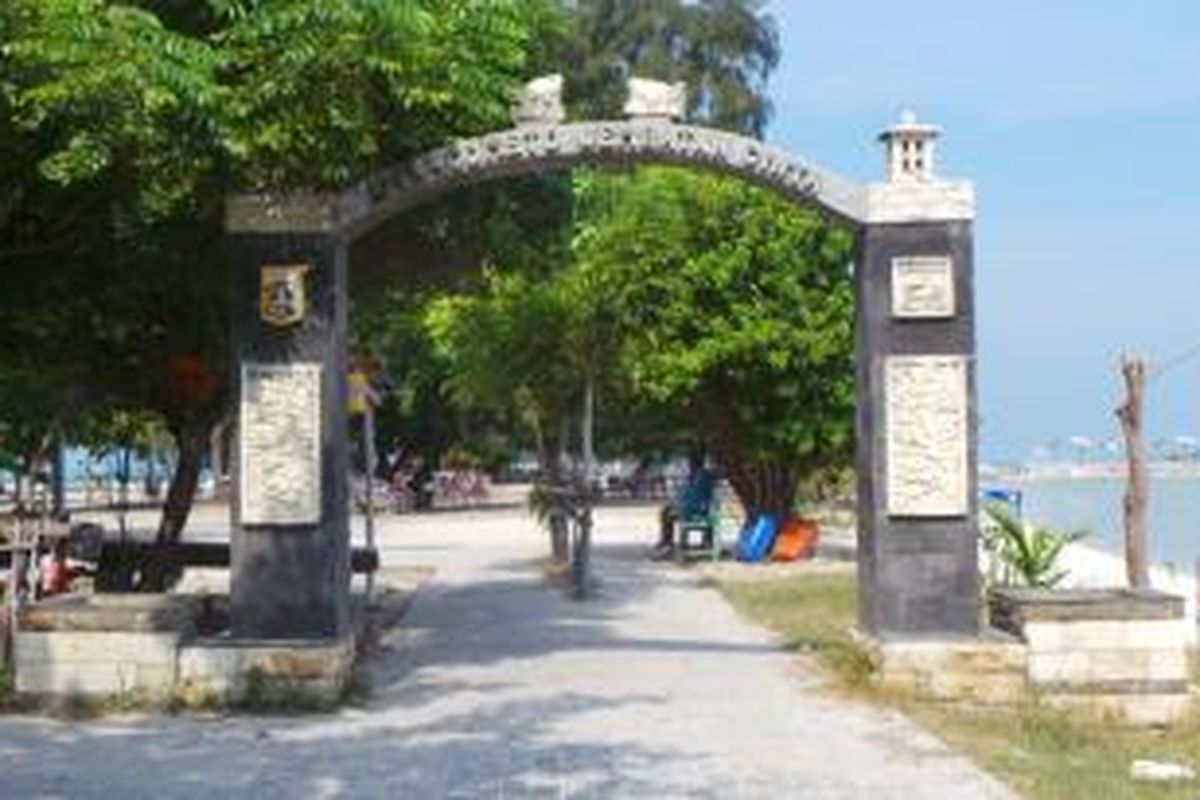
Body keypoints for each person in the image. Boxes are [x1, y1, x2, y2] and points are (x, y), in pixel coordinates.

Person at [653, 452, 716, 558]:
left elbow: (693, 498)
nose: (689, 466)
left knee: (668, 513)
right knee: (666, 510)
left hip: (695, 510)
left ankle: (669, 543)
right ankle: (667, 541)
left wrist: (680, 505)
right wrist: (678, 503)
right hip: (692, 507)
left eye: (690, 464)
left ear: (694, 464)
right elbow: (687, 495)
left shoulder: (702, 476)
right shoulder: (696, 476)